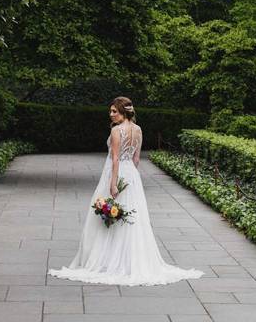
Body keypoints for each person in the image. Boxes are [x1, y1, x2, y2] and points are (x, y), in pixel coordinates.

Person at [48, 97, 203, 285]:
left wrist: (113, 184)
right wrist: (131, 178)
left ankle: (108, 259)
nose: (111, 114)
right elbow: (137, 159)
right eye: (111, 111)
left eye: (114, 111)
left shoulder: (116, 131)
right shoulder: (138, 130)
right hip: (131, 175)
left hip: (115, 174)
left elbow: (114, 159)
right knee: (132, 217)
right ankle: (128, 258)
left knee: (110, 215)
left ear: (124, 112)